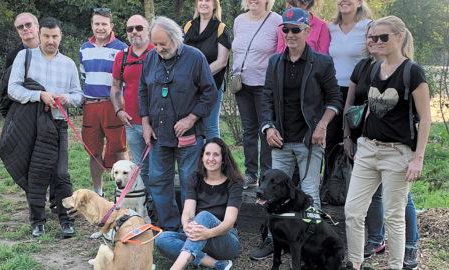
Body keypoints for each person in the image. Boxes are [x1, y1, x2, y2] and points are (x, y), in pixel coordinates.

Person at [251, 8, 342, 261]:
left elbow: (335, 98)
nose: (290, 34)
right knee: (271, 193)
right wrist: (268, 127)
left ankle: (314, 244)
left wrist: (322, 125)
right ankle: (273, 240)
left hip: (309, 140)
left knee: (310, 192)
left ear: (307, 31)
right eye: (286, 29)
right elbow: (266, 97)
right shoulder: (274, 62)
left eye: (296, 29)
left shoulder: (322, 62)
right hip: (280, 139)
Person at [344, 15, 431, 270]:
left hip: (397, 153)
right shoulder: (373, 69)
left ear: (399, 37)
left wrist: (418, 159)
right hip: (369, 149)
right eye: (373, 37)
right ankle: (356, 264)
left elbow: (425, 118)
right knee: (353, 212)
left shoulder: (412, 72)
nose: (377, 41)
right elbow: (371, 108)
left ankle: (395, 266)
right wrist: (360, 140)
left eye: (384, 37)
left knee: (394, 217)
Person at [6, 17, 84, 238]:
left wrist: (66, 99)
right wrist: (39, 95)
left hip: (58, 125)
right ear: (40, 35)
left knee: (61, 173)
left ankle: (65, 218)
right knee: (36, 174)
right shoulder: (25, 56)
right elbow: (13, 90)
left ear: (61, 37)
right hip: (31, 124)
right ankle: (37, 220)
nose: (51, 40)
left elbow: (78, 96)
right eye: (47, 36)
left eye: (55, 36)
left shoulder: (68, 63)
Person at [139, 16, 217, 231]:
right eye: (154, 44)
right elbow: (143, 90)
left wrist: (191, 118)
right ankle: (169, 228)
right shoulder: (150, 59)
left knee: (189, 184)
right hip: (158, 135)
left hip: (189, 136)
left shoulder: (195, 58)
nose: (158, 48)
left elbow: (209, 93)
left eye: (163, 44)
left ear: (175, 38)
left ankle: (189, 229)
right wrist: (145, 123)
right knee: (158, 182)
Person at [155, 138, 243, 270]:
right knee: (161, 239)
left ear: (223, 158)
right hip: (198, 236)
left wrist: (207, 233)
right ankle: (216, 264)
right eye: (207, 154)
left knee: (204, 216)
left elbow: (229, 222)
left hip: (225, 241)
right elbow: (188, 212)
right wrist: (187, 226)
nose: (211, 158)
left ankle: (177, 267)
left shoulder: (234, 182)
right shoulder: (195, 178)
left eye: (216, 155)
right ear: (202, 157)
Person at [79, 8, 129, 197]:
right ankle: (98, 192)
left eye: (104, 24)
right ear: (92, 25)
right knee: (94, 151)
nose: (100, 28)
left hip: (113, 106)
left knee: (119, 148)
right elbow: (84, 76)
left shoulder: (122, 48)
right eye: (97, 24)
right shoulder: (84, 48)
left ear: (111, 26)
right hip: (91, 105)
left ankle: (123, 192)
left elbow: (125, 79)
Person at [232, 0, 281, 189]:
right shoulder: (238, 21)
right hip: (242, 85)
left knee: (266, 130)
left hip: (264, 86)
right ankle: (251, 173)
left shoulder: (276, 20)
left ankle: (266, 174)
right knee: (248, 130)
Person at [325, 0, 372, 182]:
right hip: (333, 91)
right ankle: (331, 187)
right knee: (330, 141)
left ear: (359, 2)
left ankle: (357, 185)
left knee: (357, 140)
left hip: (360, 92)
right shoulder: (332, 27)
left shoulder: (367, 26)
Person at [111, 14, 153, 189]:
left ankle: (161, 206)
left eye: (139, 28)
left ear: (147, 29)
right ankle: (146, 204)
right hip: (131, 123)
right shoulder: (122, 56)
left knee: (159, 167)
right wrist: (119, 111)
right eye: (130, 29)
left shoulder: (156, 51)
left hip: (155, 122)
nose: (134, 32)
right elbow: (115, 87)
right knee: (140, 167)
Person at [183, 0, 232, 139]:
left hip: (212, 84)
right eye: (200, 0)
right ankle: (199, 160)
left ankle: (215, 159)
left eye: (208, 0)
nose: (203, 3)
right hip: (190, 86)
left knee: (210, 127)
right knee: (194, 127)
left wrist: (199, 76)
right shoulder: (188, 26)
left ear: (215, 5)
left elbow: (221, 61)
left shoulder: (221, 29)